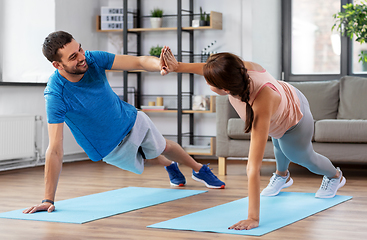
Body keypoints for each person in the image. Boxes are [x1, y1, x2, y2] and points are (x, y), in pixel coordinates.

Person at [23, 31, 225, 214]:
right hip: (108, 147)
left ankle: (199, 170)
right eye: (73, 56)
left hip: (130, 119)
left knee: (163, 145)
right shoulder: (56, 95)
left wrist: (160, 65)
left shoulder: (93, 59)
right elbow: (55, 149)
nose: (82, 57)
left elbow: (138, 62)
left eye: (80, 49)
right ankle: (170, 166)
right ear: (57, 65)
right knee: (145, 158)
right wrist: (48, 199)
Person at [161, 47, 346, 230]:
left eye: (209, 83)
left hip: (295, 118)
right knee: (279, 146)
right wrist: (177, 67)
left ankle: (334, 176)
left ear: (224, 89)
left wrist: (252, 218)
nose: (207, 82)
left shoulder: (261, 101)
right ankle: (282, 176)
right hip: (282, 107)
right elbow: (209, 68)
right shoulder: (237, 71)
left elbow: (253, 166)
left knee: (300, 155)